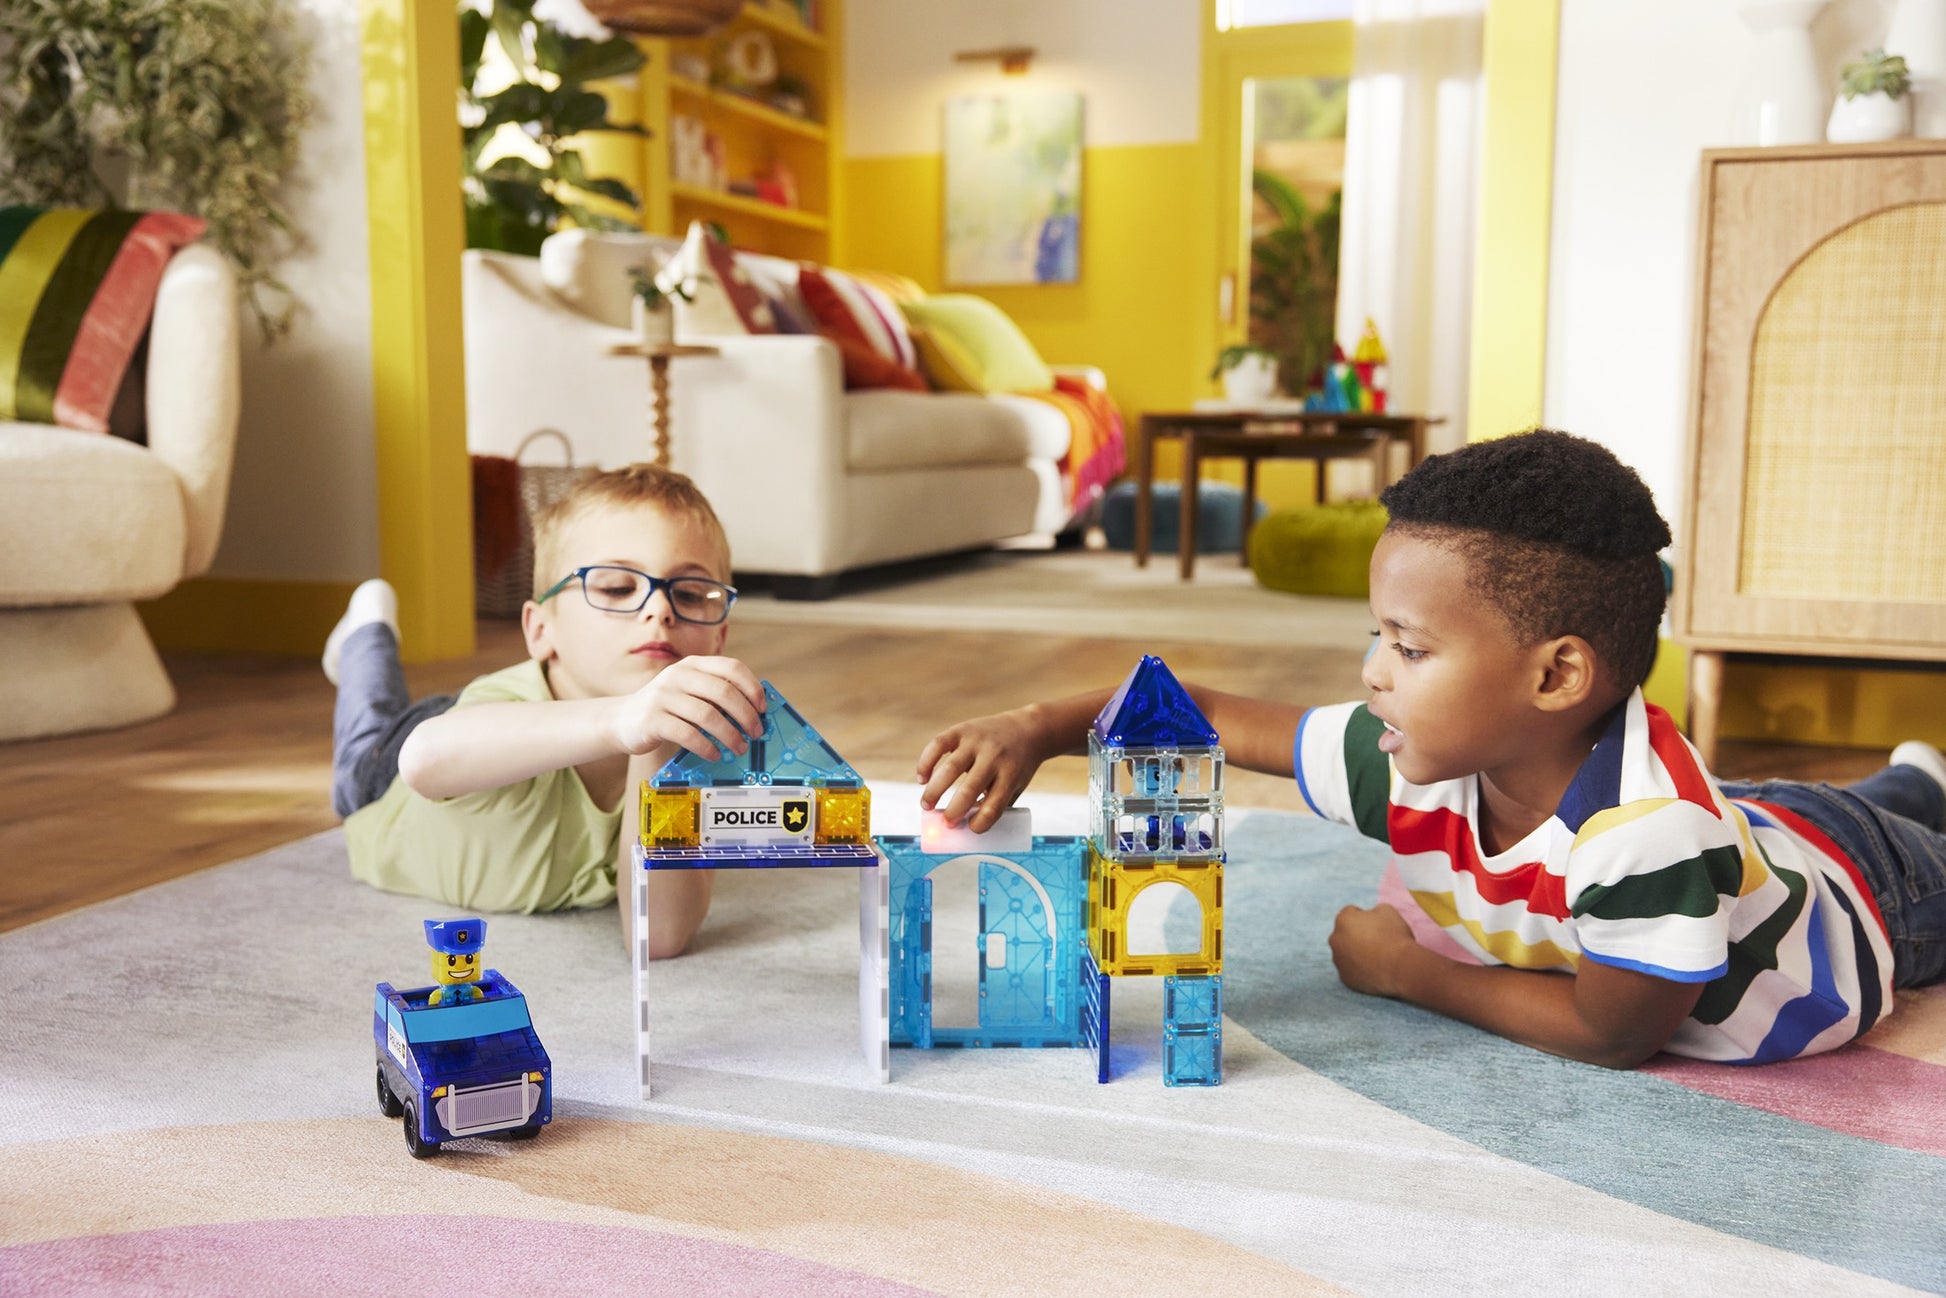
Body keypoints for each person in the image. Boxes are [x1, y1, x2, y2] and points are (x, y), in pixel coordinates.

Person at [917, 430, 1946, 1068]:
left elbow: (1611, 1031)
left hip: (1870, 894)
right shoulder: (1412, 751)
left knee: (1870, 826)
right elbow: (1212, 715)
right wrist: (1040, 724)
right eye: (1376, 634)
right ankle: (1910, 775)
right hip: (1762, 824)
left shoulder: (1647, 837)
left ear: (1554, 676)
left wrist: (1407, 971)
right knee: (1829, 800)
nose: (1370, 671)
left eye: (1407, 646)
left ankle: (1907, 792)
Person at [325, 464, 766, 959]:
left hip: (489, 733)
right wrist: (625, 719)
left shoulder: (692, 745)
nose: (659, 611)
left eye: (688, 594)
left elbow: (658, 936)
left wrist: (652, 742)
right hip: (395, 768)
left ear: (719, 637)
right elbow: (423, 758)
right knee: (366, 733)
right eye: (618, 587)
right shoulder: (488, 716)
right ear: (540, 630)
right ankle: (366, 630)